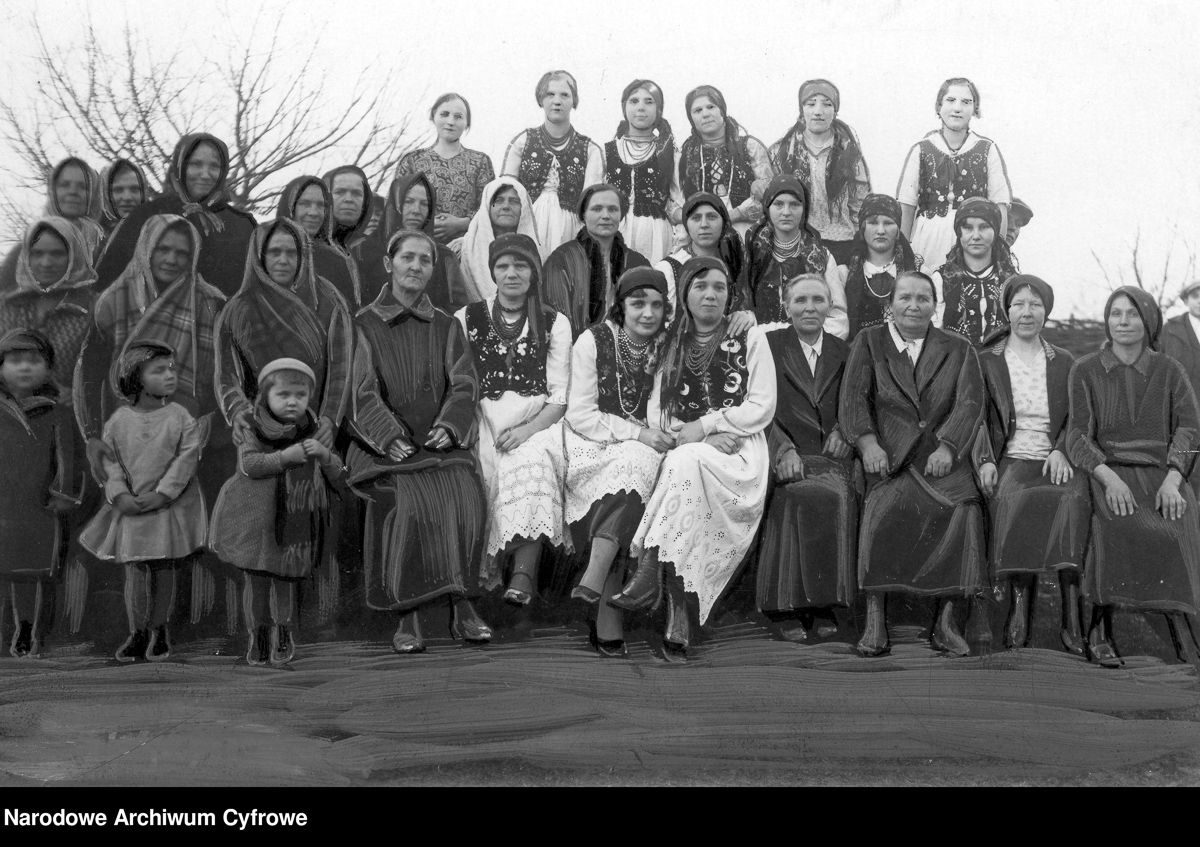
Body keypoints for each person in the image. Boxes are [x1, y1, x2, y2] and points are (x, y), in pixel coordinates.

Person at [612, 257, 776, 662]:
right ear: (684, 294)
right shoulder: (670, 341)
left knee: (682, 463)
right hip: (688, 451)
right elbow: (658, 413)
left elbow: (761, 405)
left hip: (739, 452)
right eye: (701, 286)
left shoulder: (749, 336)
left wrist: (708, 426)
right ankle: (677, 610)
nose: (710, 295)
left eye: (719, 287)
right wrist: (695, 435)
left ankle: (651, 572)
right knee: (684, 463)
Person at [347, 230, 494, 654]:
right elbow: (359, 392)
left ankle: (462, 605)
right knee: (410, 497)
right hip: (383, 448)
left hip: (439, 443)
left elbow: (464, 384)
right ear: (388, 264)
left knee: (465, 489)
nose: (415, 266)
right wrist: (387, 435)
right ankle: (407, 613)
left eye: (424, 260)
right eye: (407, 258)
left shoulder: (446, 325)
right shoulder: (363, 324)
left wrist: (450, 427)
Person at [840, 271, 986, 658]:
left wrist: (949, 447)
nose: (913, 305)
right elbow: (853, 399)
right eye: (905, 297)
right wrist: (868, 444)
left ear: (935, 305)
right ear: (890, 303)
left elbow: (970, 403)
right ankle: (875, 619)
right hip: (888, 459)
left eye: (923, 298)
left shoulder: (959, 348)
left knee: (964, 510)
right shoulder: (869, 341)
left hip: (941, 460)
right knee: (881, 508)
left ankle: (946, 622)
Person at [1067, 286, 1200, 668]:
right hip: (1107, 471)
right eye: (1115, 314)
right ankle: (1099, 626)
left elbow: (1190, 430)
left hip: (1161, 473)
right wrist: (1108, 478)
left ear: (1149, 321)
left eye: (1132, 314)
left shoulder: (1169, 370)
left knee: (1179, 521)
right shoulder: (1086, 369)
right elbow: (1077, 435)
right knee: (1111, 523)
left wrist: (1174, 477)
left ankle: (1181, 627)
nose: (1123, 322)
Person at [974, 275, 1090, 653]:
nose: (1027, 312)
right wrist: (985, 459)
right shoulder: (988, 360)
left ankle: (1071, 618)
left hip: (1054, 457)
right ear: (1007, 311)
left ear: (1046, 312)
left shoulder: (1063, 361)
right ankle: (1020, 607)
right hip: (1010, 456)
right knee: (1013, 500)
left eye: (1035, 305)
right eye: (1019, 304)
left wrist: (1061, 450)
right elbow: (976, 417)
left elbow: (1078, 417)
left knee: (1073, 501)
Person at [455, 233, 570, 606]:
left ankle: (523, 574)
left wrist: (527, 431)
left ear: (534, 272)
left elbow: (559, 397)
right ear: (492, 272)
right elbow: (460, 383)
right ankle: (479, 584)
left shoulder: (554, 322)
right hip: (483, 419)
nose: (512, 273)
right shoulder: (466, 318)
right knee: (483, 467)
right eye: (503, 266)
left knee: (532, 462)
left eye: (521, 265)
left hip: (538, 422)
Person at [564, 267, 672, 658]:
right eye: (638, 303)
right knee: (633, 464)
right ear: (620, 306)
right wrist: (636, 434)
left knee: (636, 468)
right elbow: (580, 414)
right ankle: (608, 613)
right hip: (592, 442)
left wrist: (646, 437)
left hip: (646, 448)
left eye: (657, 305)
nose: (648, 313)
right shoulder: (593, 340)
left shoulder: (668, 345)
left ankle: (596, 583)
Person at [209, 359, 344, 666]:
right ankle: (257, 636)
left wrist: (325, 456)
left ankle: (283, 634)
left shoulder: (312, 429)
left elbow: (338, 473)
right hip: (256, 521)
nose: (292, 401)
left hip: (294, 522)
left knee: (284, 582)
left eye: (300, 394)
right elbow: (250, 465)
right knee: (256, 583)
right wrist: (285, 457)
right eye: (283, 394)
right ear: (265, 396)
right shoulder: (252, 425)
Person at [79, 342, 207, 662]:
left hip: (167, 508)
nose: (169, 376)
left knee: (163, 567)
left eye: (171, 369)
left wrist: (163, 494)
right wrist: (120, 495)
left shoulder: (179, 417)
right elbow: (110, 464)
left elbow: (187, 458)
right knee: (136, 570)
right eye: (159, 371)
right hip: (132, 508)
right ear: (136, 377)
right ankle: (137, 632)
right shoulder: (119, 421)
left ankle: (159, 630)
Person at [756, 274, 857, 642]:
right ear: (786, 307)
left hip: (830, 455)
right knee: (793, 494)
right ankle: (783, 606)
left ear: (830, 306)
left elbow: (859, 400)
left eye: (818, 300)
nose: (810, 308)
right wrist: (781, 449)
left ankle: (824, 603)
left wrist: (845, 432)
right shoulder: (767, 347)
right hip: (784, 453)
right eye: (800, 300)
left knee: (836, 493)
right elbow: (754, 405)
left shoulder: (846, 351)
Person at [215, 218, 352, 454]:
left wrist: (330, 419)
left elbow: (340, 367)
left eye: (291, 253)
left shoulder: (328, 301)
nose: (283, 260)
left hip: (316, 430)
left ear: (302, 257)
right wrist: (237, 411)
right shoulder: (238, 310)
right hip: (260, 432)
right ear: (259, 256)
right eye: (274, 252)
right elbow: (227, 374)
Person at [0, 330, 87, 658]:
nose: (25, 367)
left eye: (34, 361)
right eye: (15, 360)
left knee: (28, 572)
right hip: (3, 502)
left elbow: (68, 457)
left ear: (48, 369)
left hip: (37, 505)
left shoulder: (56, 412)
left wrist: (64, 493)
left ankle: (25, 629)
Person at [96, 133, 256, 297]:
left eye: (215, 166)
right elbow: (109, 282)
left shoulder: (242, 225)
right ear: (180, 166)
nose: (205, 174)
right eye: (196, 164)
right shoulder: (147, 215)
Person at [897, 78, 1012, 271]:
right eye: (950, 100)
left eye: (966, 102)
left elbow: (999, 204)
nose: (957, 108)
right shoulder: (921, 149)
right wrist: (903, 258)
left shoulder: (987, 149)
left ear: (975, 108)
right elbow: (906, 206)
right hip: (928, 239)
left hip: (973, 239)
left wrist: (998, 255)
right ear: (939, 106)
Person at [502, 70, 605, 254]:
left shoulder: (590, 149)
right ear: (541, 99)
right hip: (527, 226)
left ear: (574, 101)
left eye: (565, 95)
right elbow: (506, 190)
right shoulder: (523, 142)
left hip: (570, 230)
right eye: (550, 94)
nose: (557, 101)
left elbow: (591, 202)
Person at [770, 79, 871, 266]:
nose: (818, 111)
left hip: (841, 242)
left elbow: (860, 205)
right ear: (802, 109)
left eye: (827, 104)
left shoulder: (849, 154)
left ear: (835, 111)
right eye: (811, 104)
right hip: (794, 241)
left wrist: (859, 246)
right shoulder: (781, 152)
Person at [0, 217, 98, 390]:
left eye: (57, 254)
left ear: (74, 256)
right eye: (37, 253)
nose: (46, 263)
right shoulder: (7, 306)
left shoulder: (94, 309)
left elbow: (101, 371)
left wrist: (77, 393)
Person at [542, 183, 651, 337]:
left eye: (613, 209)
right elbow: (557, 320)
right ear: (583, 214)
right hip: (573, 347)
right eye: (597, 209)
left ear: (621, 214)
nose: (606, 215)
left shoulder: (637, 263)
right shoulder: (561, 260)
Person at [744, 175, 846, 335]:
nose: (786, 212)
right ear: (767, 207)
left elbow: (838, 319)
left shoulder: (822, 257)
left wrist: (804, 341)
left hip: (808, 343)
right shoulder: (750, 252)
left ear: (804, 209)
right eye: (778, 204)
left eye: (794, 204)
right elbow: (739, 311)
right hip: (759, 343)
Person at [396, 93, 496, 245]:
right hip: (417, 245)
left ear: (467, 123)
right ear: (433, 117)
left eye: (458, 117)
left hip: (466, 246)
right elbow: (397, 206)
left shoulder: (480, 162)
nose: (450, 121)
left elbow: (490, 207)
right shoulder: (412, 160)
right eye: (444, 114)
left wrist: (462, 223)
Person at [677, 85, 774, 239]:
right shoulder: (685, 155)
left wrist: (732, 215)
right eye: (698, 110)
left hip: (748, 234)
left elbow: (770, 198)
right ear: (691, 118)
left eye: (711, 107)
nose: (705, 114)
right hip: (702, 234)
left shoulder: (750, 147)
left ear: (722, 110)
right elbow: (677, 201)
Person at [604, 79, 683, 264]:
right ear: (624, 107)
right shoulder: (608, 152)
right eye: (634, 101)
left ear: (659, 109)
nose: (641, 107)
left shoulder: (669, 154)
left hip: (655, 237)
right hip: (615, 233)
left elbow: (679, 201)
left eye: (649, 102)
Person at [0, 158, 105, 292]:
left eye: (83, 187)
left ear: (94, 195)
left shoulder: (107, 249)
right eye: (64, 185)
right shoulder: (24, 251)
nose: (73, 191)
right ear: (52, 191)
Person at [930, 196, 1018, 344]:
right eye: (968, 228)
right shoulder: (941, 279)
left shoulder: (1012, 281)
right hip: (954, 357)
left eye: (984, 227)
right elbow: (934, 335)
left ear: (995, 231)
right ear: (959, 232)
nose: (976, 236)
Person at [380, 173, 470, 313]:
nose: (416, 210)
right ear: (395, 204)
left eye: (424, 204)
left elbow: (458, 309)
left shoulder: (444, 256)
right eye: (408, 202)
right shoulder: (365, 250)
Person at [839, 193, 922, 341]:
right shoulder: (844, 273)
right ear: (862, 228)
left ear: (898, 229)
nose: (881, 230)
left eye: (888, 223)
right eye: (873, 222)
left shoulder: (918, 271)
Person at [276, 175, 361, 311]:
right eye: (305, 204)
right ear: (290, 207)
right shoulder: (266, 252)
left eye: (321, 205)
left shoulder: (337, 260)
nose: (314, 212)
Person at [452, 176, 541, 301]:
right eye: (498, 201)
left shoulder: (538, 252)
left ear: (524, 208)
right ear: (487, 206)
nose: (506, 206)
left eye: (514, 201)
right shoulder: (461, 250)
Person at [655, 191, 747, 310]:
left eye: (712, 217)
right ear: (686, 224)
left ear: (724, 222)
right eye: (696, 218)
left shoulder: (736, 263)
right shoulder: (670, 269)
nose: (704, 224)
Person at [323, 164, 386, 302]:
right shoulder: (306, 245)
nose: (349, 199)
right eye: (340, 192)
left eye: (357, 193)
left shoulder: (376, 250)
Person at [1159, 279, 1200, 429]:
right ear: (1186, 301)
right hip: (1182, 408)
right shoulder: (1170, 329)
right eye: (1195, 296)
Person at [99, 158, 149, 237]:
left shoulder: (161, 233)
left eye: (135, 189)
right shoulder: (86, 238)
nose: (127, 197)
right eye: (118, 190)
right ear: (103, 194)